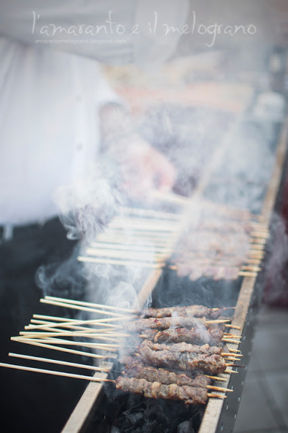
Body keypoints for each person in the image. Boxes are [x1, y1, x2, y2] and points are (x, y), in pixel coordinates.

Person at [0, 1, 189, 432]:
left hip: (58, 236)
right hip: (6, 251)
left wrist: (130, 145)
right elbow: (139, 29)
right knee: (33, 408)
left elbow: (93, 90)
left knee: (75, 390)